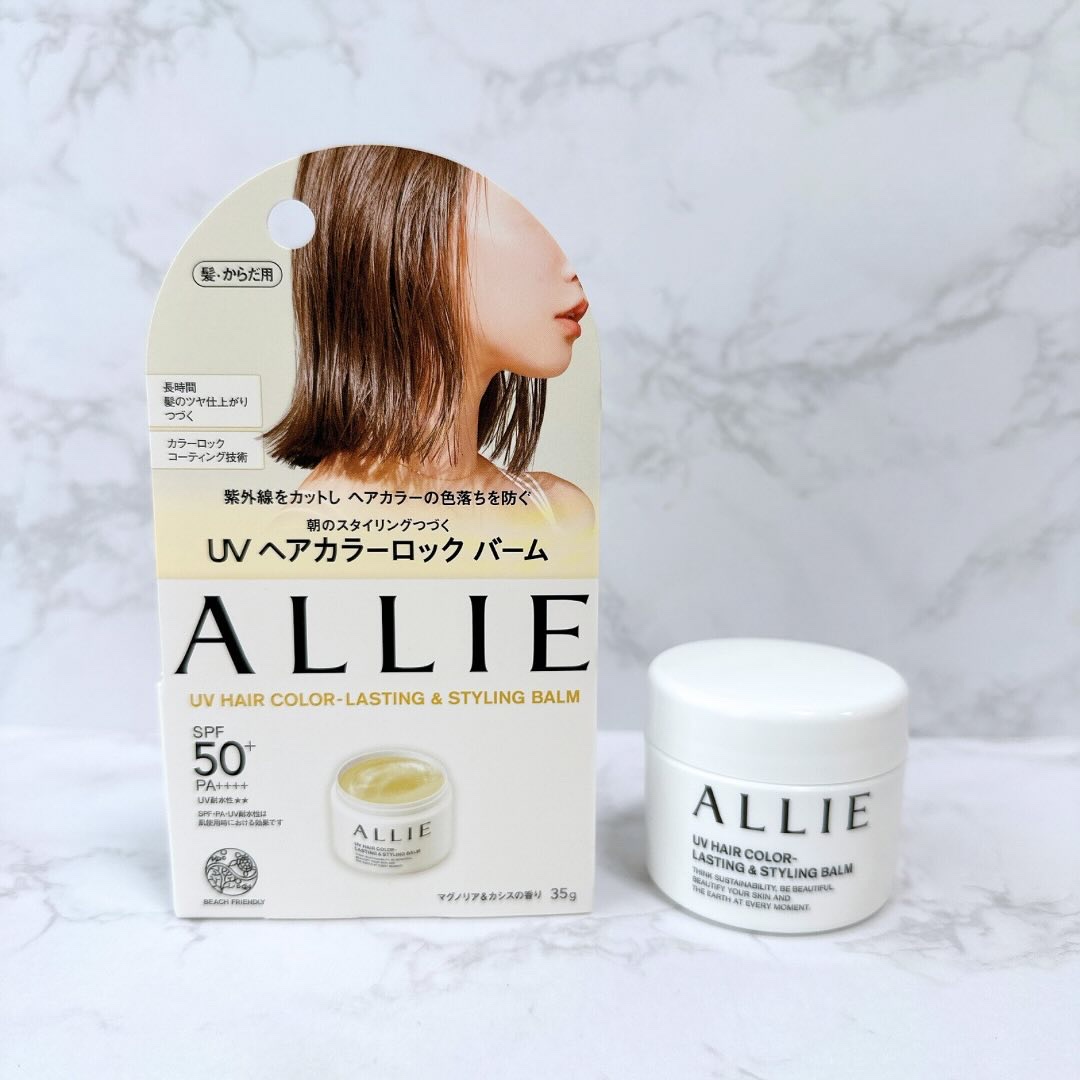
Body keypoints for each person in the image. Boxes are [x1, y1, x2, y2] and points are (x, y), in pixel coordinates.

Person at [265, 145, 594, 530]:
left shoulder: (561, 515)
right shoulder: (311, 540)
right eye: (537, 211)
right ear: (407, 221)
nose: (578, 265)